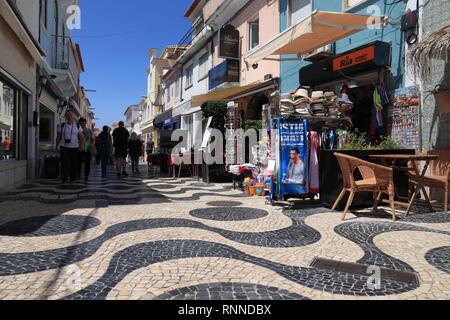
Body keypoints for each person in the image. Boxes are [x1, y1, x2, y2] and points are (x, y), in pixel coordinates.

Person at [56, 110, 84, 184]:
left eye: (71, 115)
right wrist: (56, 146)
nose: (69, 116)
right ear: (66, 116)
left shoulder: (77, 126)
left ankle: (72, 178)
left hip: (74, 148)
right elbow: (58, 136)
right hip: (64, 147)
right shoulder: (62, 125)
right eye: (68, 115)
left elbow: (81, 137)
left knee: (74, 164)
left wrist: (81, 146)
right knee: (64, 164)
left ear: (73, 116)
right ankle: (63, 179)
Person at [78, 118, 95, 182]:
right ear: (80, 123)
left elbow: (93, 139)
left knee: (87, 162)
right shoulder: (77, 130)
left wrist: (92, 144)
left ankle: (86, 175)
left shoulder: (89, 130)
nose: (83, 124)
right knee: (78, 162)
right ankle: (78, 174)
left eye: (84, 123)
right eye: (82, 123)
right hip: (79, 149)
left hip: (87, 148)